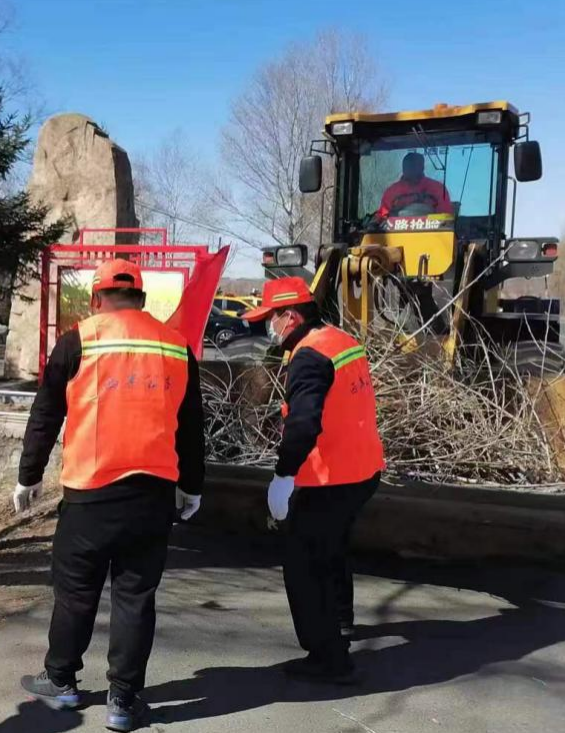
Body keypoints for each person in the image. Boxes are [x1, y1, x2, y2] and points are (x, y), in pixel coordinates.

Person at [14, 259, 205, 732]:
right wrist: (192, 486)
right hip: (152, 494)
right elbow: (191, 428)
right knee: (135, 596)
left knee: (76, 593)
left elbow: (45, 415)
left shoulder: (79, 339)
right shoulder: (176, 346)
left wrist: (28, 475)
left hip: (90, 494)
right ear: (141, 299)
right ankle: (123, 701)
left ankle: (61, 682)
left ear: (97, 299)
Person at [242, 276, 385, 685]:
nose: (268, 326)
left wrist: (283, 476)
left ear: (290, 316)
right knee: (333, 548)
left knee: (305, 563)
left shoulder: (308, 356)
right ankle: (340, 622)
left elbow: (303, 424)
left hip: (332, 476)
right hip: (363, 470)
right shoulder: (339, 340)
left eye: (270, 318)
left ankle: (328, 659)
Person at [377, 151, 454, 217]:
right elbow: (382, 219)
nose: (412, 168)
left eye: (415, 165)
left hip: (432, 233)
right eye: (409, 165)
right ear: (403, 168)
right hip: (396, 233)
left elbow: (445, 219)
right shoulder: (391, 192)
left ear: (422, 167)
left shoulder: (438, 189)